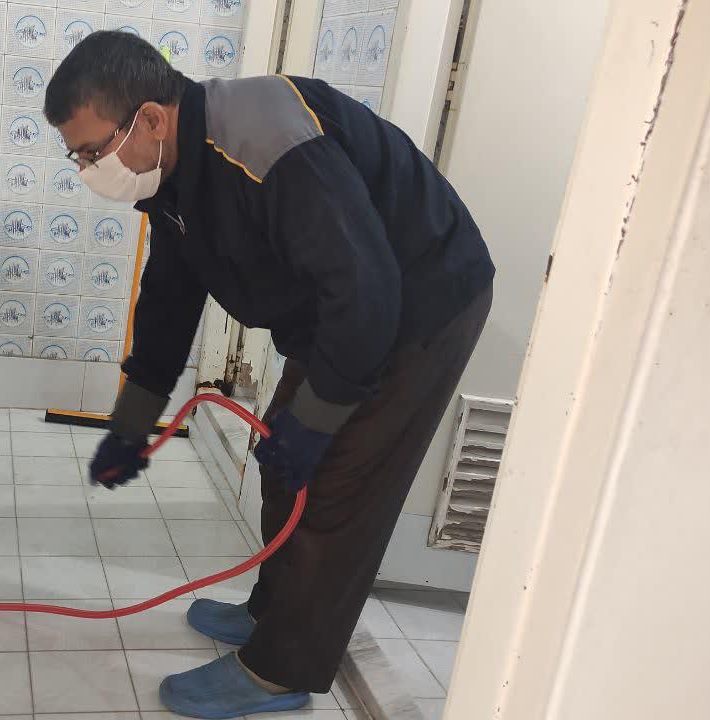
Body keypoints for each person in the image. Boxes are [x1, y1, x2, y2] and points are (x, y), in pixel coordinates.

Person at [44, 31, 496, 719]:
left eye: (91, 151)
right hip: (345, 306)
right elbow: (169, 299)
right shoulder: (176, 169)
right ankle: (272, 613)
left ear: (151, 119)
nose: (86, 170)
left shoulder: (267, 144)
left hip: (420, 300)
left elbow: (368, 295)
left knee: (336, 486)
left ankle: (281, 671)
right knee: (284, 464)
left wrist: (318, 422)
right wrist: (132, 424)